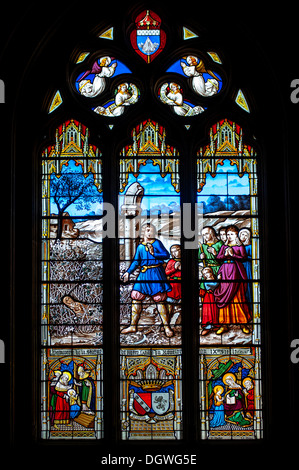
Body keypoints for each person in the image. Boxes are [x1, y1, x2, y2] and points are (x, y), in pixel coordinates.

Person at [121, 224, 174, 337]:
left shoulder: (157, 243)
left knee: (159, 299)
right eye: (147, 230)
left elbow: (166, 255)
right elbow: (136, 261)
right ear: (143, 232)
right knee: (136, 297)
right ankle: (133, 326)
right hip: (144, 274)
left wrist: (154, 253)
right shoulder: (140, 247)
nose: (150, 233)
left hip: (156, 273)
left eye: (152, 230)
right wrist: (128, 272)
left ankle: (166, 327)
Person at [213, 225, 251, 335]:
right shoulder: (224, 247)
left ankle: (242, 323)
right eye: (228, 234)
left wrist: (233, 255)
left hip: (236, 271)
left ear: (236, 235)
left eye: (232, 234)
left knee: (237, 297)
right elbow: (218, 258)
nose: (229, 236)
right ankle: (224, 324)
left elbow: (243, 258)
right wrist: (225, 255)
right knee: (225, 298)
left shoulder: (240, 247)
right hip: (225, 271)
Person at [199, 267, 219, 335]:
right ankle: (207, 327)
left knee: (214, 310)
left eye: (208, 272)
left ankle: (214, 325)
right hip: (208, 297)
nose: (207, 274)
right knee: (208, 311)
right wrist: (219, 280)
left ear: (211, 272)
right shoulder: (206, 281)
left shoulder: (213, 279)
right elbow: (215, 285)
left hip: (213, 296)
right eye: (205, 274)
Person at [239, 228, 253, 314]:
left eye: (245, 234)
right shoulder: (238, 246)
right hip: (239, 268)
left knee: (248, 288)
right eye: (241, 234)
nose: (242, 236)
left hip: (247, 268)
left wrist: (244, 257)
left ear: (248, 236)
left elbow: (253, 258)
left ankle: (251, 311)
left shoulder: (250, 246)